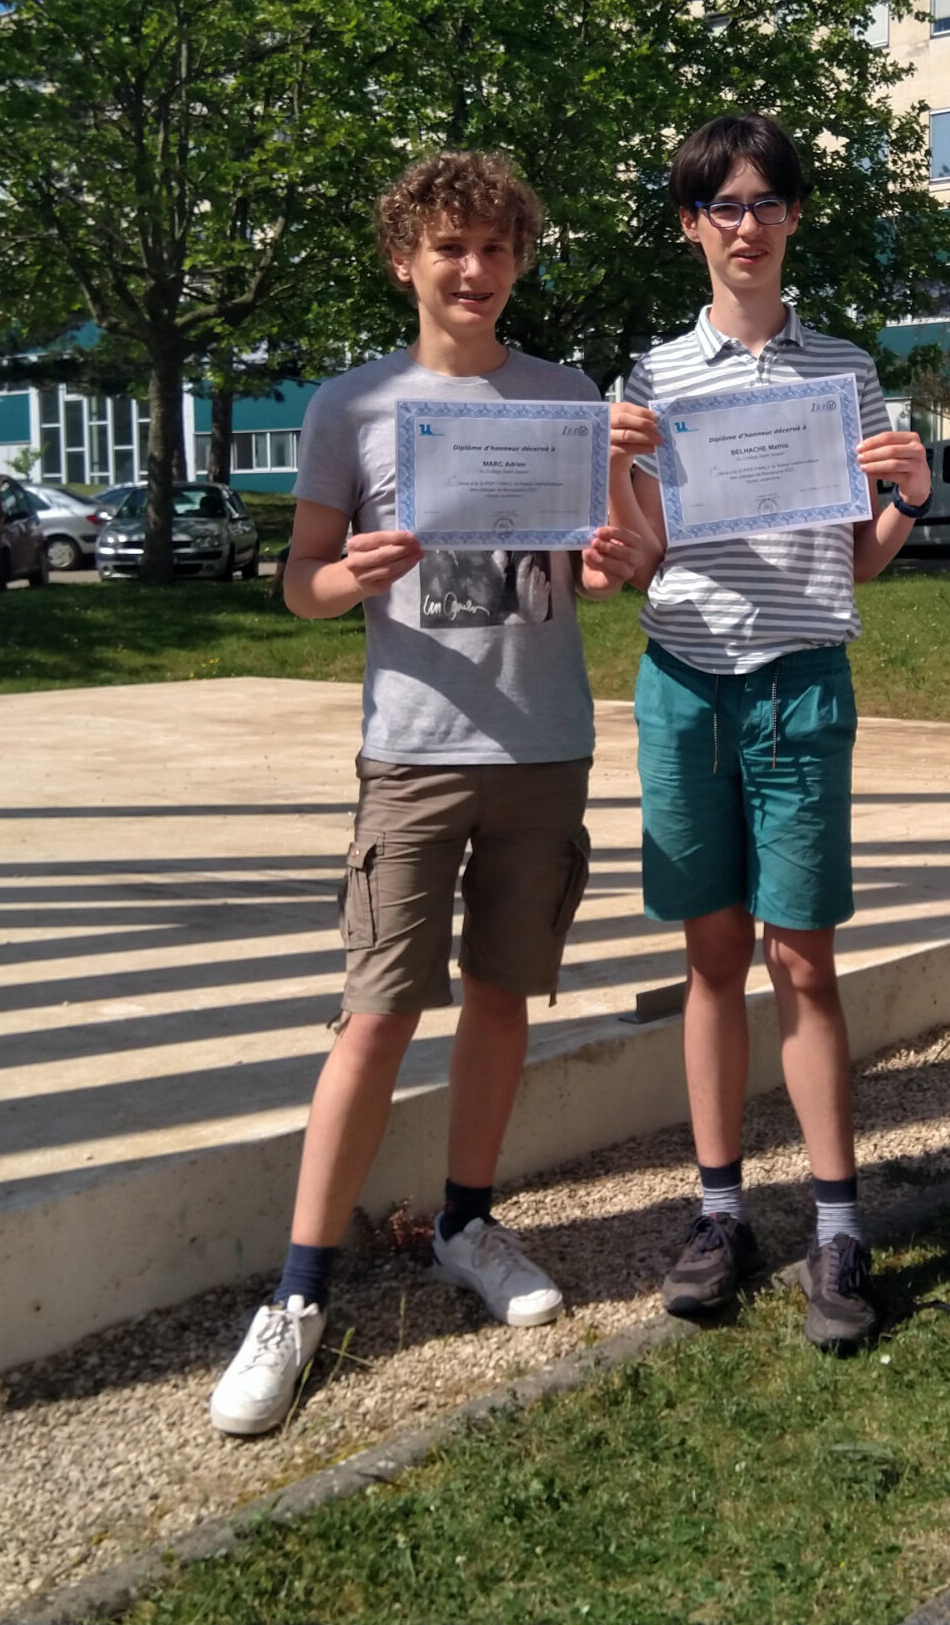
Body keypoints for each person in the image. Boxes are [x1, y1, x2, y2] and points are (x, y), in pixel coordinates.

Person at [207, 152, 659, 1436]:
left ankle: (466, 1221)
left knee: (505, 1001)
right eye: (450, 248)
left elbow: (605, 571)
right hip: (411, 751)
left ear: (520, 261)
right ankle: (298, 1293)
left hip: (542, 748)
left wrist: (621, 527)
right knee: (376, 1014)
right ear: (404, 258)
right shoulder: (352, 406)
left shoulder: (567, 398)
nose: (474, 271)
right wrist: (348, 575)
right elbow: (297, 584)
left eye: (498, 249)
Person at [620, 114, 937, 1351]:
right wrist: (611, 480)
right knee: (710, 956)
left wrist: (910, 496)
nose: (743, 227)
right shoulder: (648, 380)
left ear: (793, 217)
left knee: (801, 960)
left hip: (802, 675)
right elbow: (641, 560)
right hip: (686, 677)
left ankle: (836, 1223)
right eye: (720, 207)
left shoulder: (844, 370)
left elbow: (853, 561)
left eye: (763, 203)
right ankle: (717, 1211)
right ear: (691, 227)